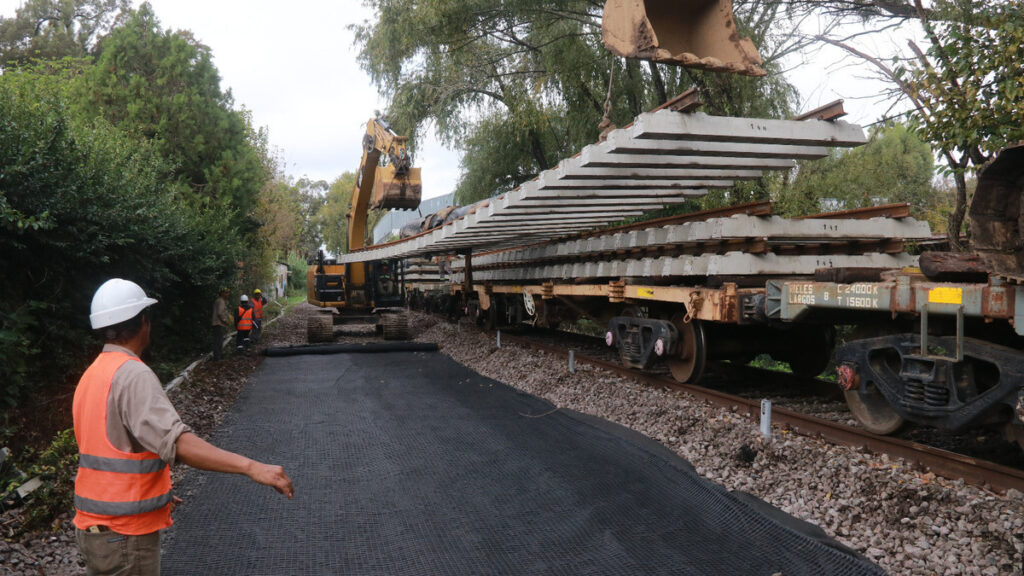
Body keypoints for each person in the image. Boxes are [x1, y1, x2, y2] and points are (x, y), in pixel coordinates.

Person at [73, 278, 293, 576]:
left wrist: (155, 497)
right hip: (125, 536)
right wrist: (251, 467)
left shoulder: (92, 376)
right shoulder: (132, 375)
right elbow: (178, 443)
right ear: (144, 322)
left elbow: (115, 449)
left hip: (94, 532)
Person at [210, 288, 232, 360]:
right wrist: (225, 321)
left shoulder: (218, 301)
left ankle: (218, 356)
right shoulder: (221, 301)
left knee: (218, 340)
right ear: (222, 293)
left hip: (216, 324)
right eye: (226, 293)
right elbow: (220, 313)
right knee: (218, 341)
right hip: (218, 324)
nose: (227, 294)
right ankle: (217, 357)